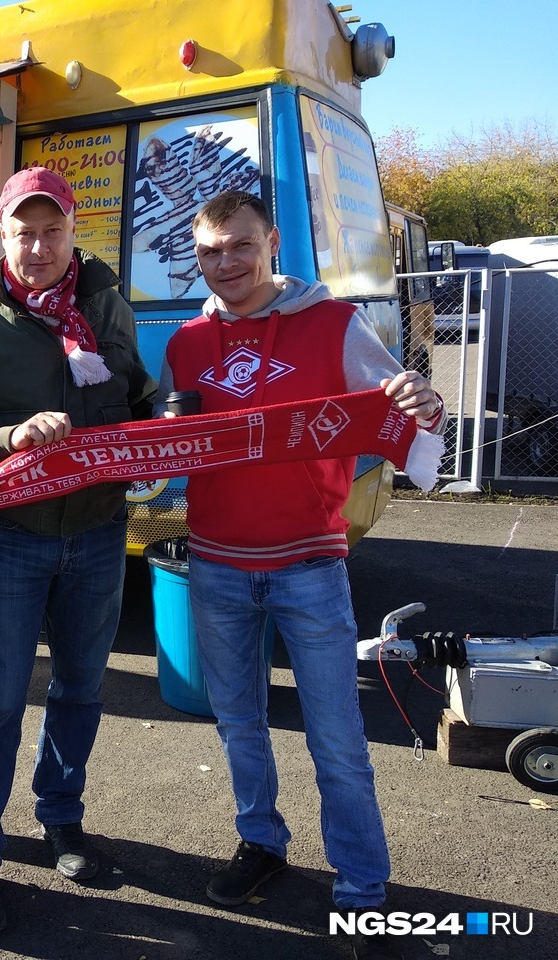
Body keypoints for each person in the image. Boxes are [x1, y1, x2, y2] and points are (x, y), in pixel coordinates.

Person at [156, 191, 443, 960]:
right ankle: (261, 843)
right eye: (211, 252)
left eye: (240, 246)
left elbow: (409, 410)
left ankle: (361, 891)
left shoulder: (334, 325)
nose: (226, 264)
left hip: (311, 565)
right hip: (216, 563)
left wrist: (427, 402)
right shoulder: (185, 342)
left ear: (272, 241)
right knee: (239, 724)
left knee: (338, 740)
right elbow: (172, 441)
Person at [0, 167, 156, 934]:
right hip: (13, 538)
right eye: (24, 231)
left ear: (72, 230)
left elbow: (141, 397)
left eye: (53, 230)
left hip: (95, 534)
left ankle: (61, 818)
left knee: (82, 689)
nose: (39, 245)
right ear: (3, 235)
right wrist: (6, 437)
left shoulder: (108, 307)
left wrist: (170, 419)